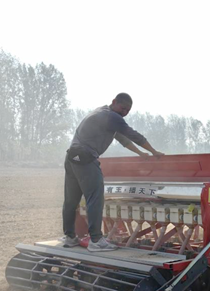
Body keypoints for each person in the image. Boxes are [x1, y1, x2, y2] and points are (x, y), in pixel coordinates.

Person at [62, 92, 164, 252]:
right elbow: (134, 135)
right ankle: (96, 240)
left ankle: (69, 237)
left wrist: (140, 154)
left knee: (71, 200)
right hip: (86, 158)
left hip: (71, 158)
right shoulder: (113, 117)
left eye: (128, 111)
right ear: (114, 102)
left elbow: (123, 139)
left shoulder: (101, 114)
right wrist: (154, 151)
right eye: (123, 108)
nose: (124, 113)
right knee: (95, 198)